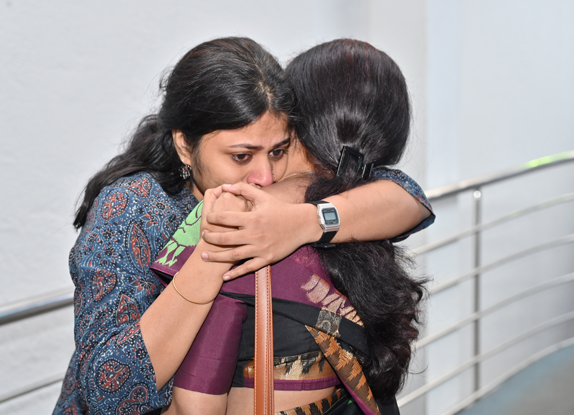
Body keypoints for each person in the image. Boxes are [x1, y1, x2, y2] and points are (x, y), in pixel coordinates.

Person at [53, 37, 432, 415]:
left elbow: (406, 194)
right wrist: (212, 253)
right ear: (184, 145)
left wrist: (303, 222)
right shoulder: (132, 207)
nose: (265, 176)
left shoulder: (283, 196)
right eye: (241, 156)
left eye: (278, 151)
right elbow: (110, 395)